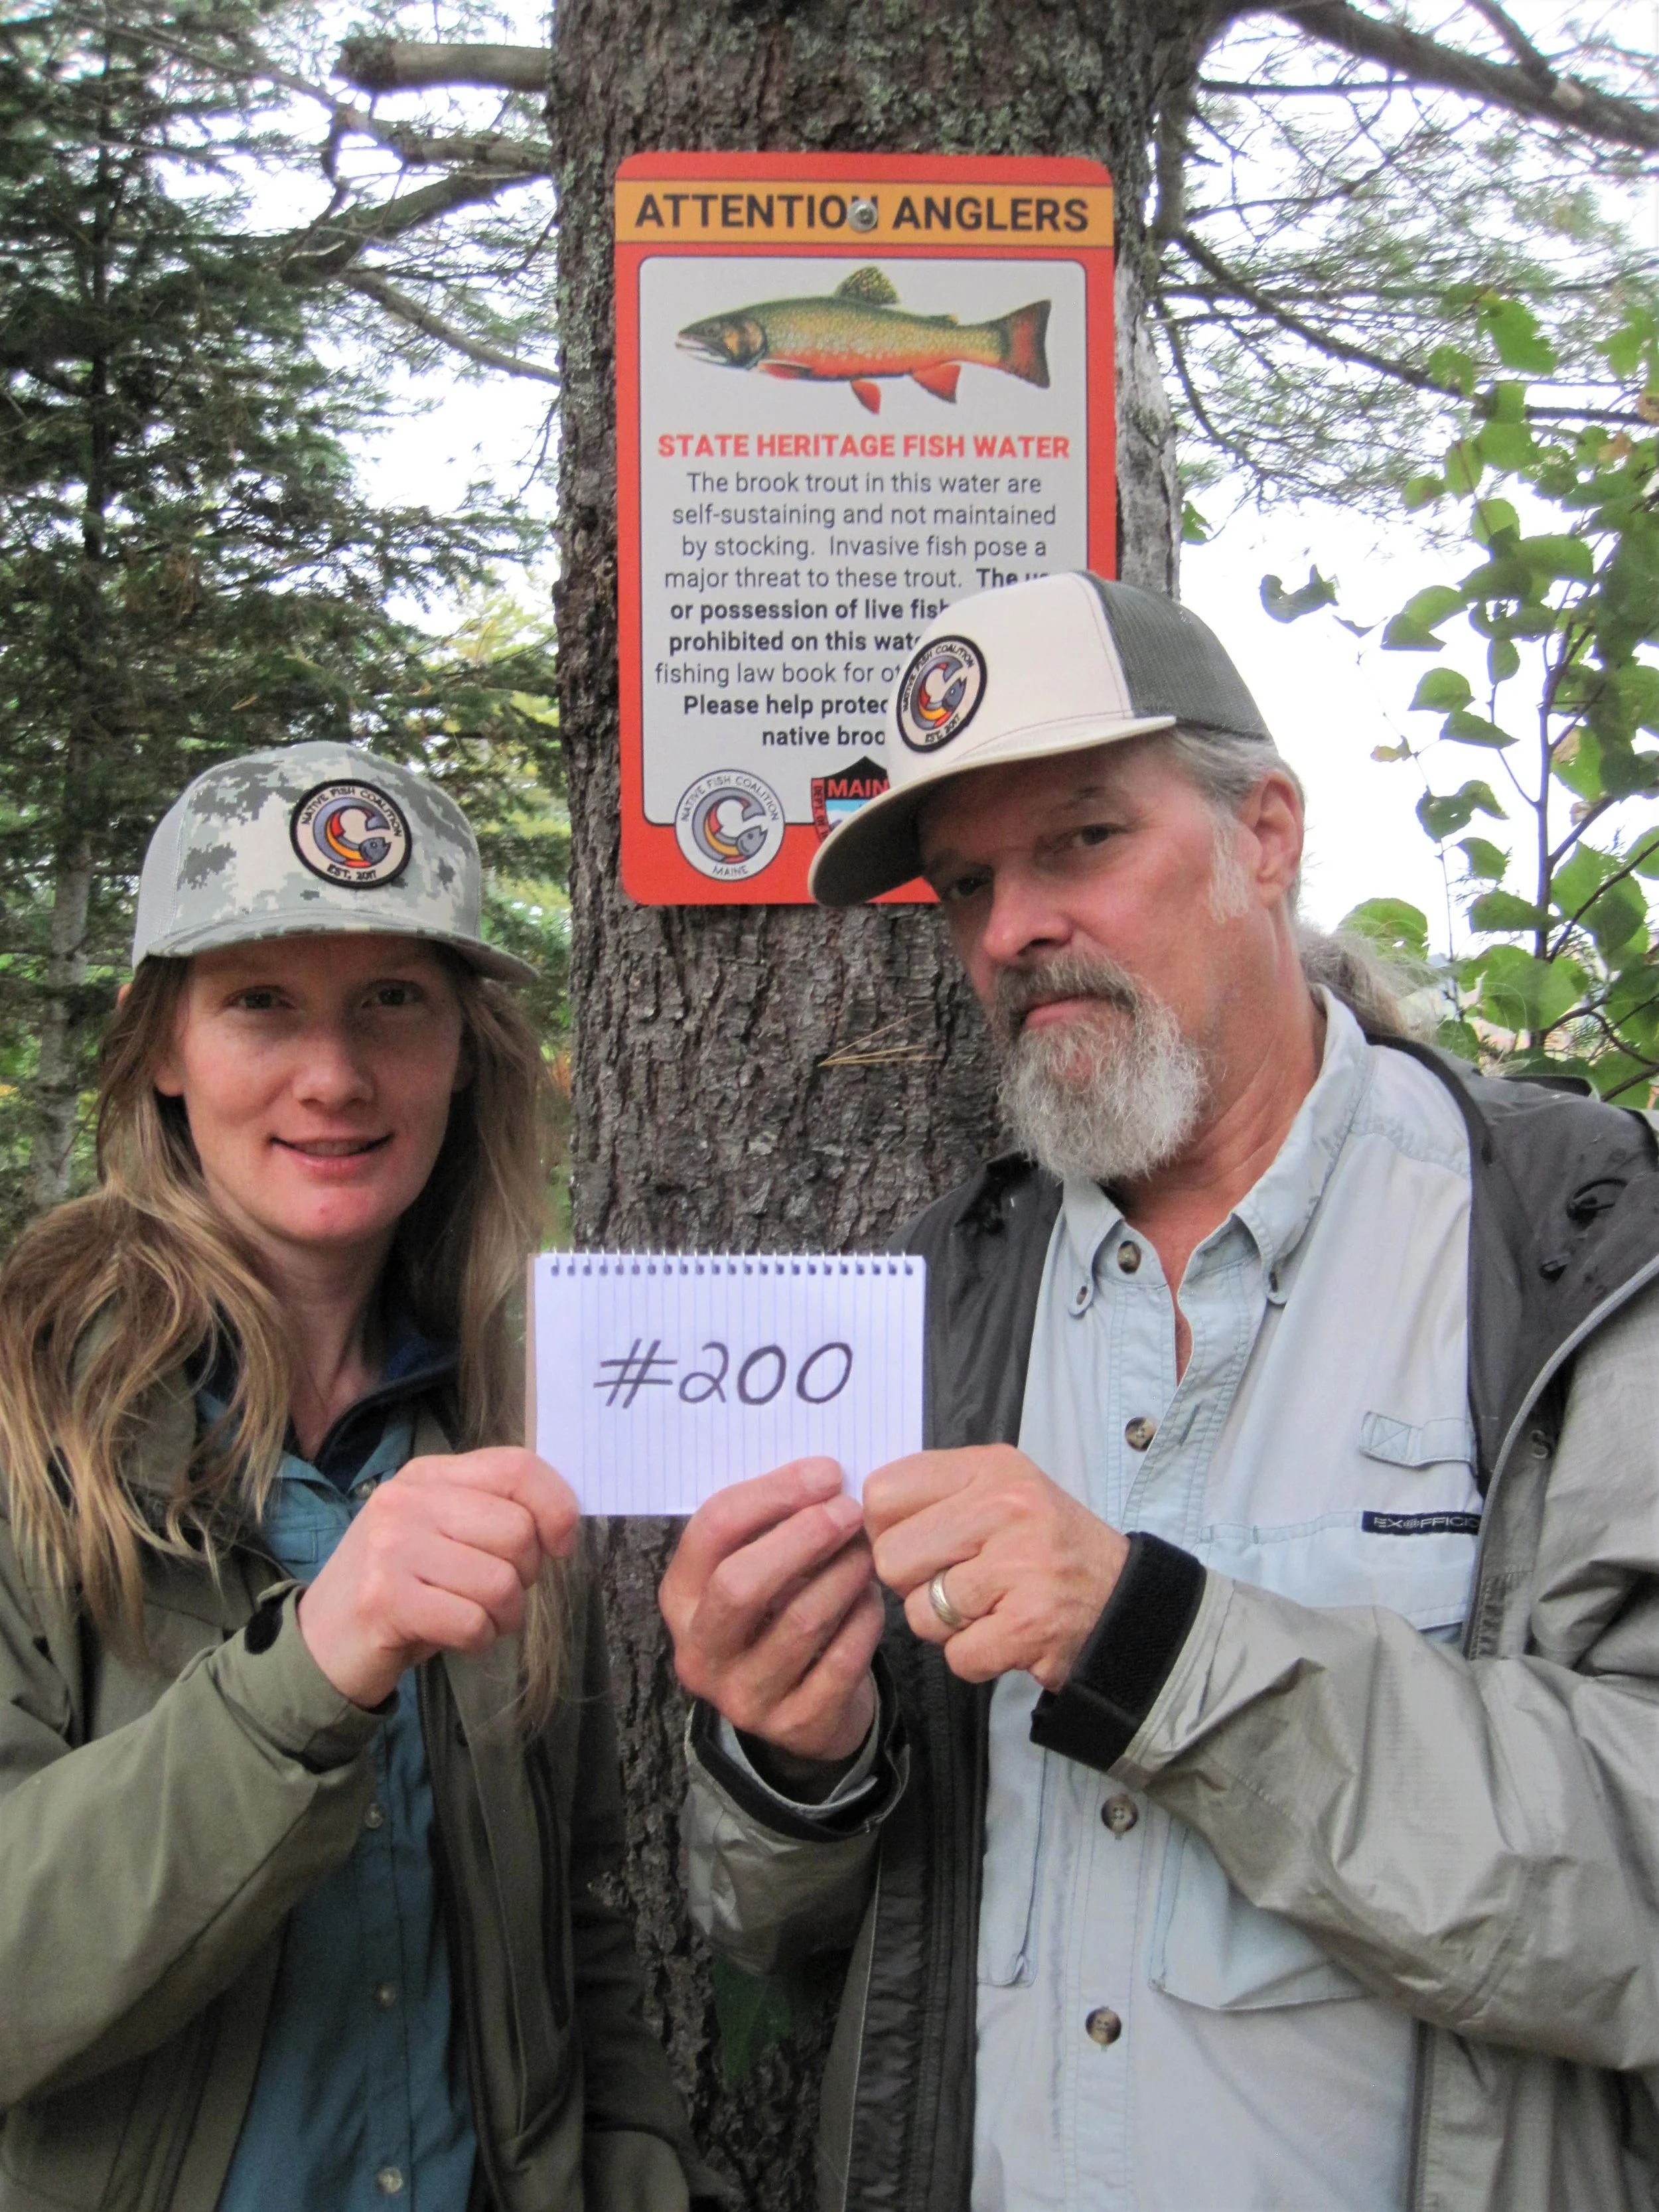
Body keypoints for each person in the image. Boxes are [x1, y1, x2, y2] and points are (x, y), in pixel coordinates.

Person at [660, 572, 1659, 2212]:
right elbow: (775, 1933)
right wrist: (791, 1756)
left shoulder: (1562, 1254)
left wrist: (1152, 1643)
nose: (1006, 929)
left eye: (1077, 842)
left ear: (1263, 834)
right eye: (965, 882)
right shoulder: (924, 1307)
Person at [0, 743, 718, 2212]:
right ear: (160, 1051)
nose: (335, 1076)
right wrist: (309, 1670)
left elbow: (583, 1934)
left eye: (393, 998)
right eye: (261, 1001)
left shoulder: (512, 1424)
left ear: (463, 1047)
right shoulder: (28, 1426)